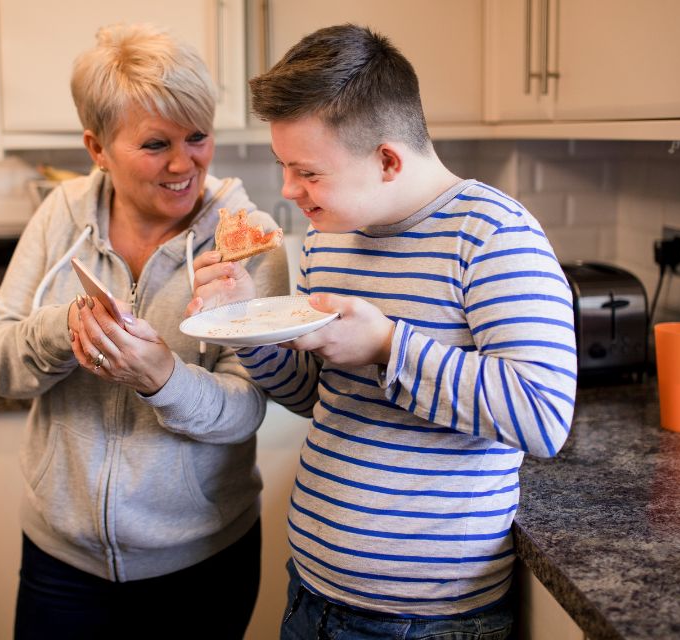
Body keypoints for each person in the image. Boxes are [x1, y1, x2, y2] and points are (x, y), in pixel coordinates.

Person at [188, 24, 577, 639]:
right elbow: (317, 395)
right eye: (283, 166)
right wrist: (246, 321)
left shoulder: (495, 236)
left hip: (428, 621)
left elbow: (543, 415)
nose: (289, 193)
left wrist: (389, 346)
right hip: (311, 592)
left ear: (388, 159)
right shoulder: (328, 233)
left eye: (308, 173)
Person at [0, 23, 289, 639]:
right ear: (97, 148)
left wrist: (163, 379)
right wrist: (63, 331)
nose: (184, 163)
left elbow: (248, 407)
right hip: (60, 561)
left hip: (201, 564)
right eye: (154, 144)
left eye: (198, 136)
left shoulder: (244, 237)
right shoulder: (59, 218)